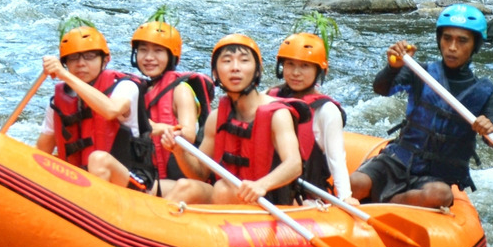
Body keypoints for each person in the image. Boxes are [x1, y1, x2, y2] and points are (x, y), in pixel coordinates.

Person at [350, 4, 493, 209]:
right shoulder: (420, 72)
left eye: (462, 41)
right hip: (397, 161)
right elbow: (382, 88)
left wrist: (488, 128)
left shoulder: (485, 92)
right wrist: (392, 68)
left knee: (439, 195)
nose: (452, 47)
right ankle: (374, 197)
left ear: (475, 45)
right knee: (352, 185)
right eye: (447, 38)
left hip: (436, 176)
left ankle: (382, 203)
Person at [158, 34, 304, 205]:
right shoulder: (216, 118)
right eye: (227, 61)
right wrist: (179, 151)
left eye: (244, 61)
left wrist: (261, 185)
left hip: (268, 200)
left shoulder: (277, 114)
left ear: (257, 70)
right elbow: (200, 174)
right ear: (215, 72)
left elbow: (294, 164)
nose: (235, 68)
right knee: (186, 186)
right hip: (229, 196)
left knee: (222, 189)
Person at [36, 21, 156, 192]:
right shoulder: (58, 102)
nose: (80, 64)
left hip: (133, 180)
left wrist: (64, 76)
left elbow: (110, 111)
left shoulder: (124, 87)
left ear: (105, 60)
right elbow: (42, 151)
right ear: (66, 63)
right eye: (73, 58)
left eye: (90, 56)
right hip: (80, 182)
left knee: (98, 159)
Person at [129, 11, 214, 197]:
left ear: (171, 55)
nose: (149, 57)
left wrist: (156, 128)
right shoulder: (136, 90)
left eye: (158, 51)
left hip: (181, 180)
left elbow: (188, 134)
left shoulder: (180, 89)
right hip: (151, 174)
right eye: (143, 50)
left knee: (137, 189)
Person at [268, 33, 356, 206]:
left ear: (320, 71)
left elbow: (336, 158)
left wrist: (345, 196)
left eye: (305, 66)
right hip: (267, 187)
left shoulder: (326, 110)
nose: (295, 72)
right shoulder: (270, 97)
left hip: (305, 198)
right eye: (290, 64)